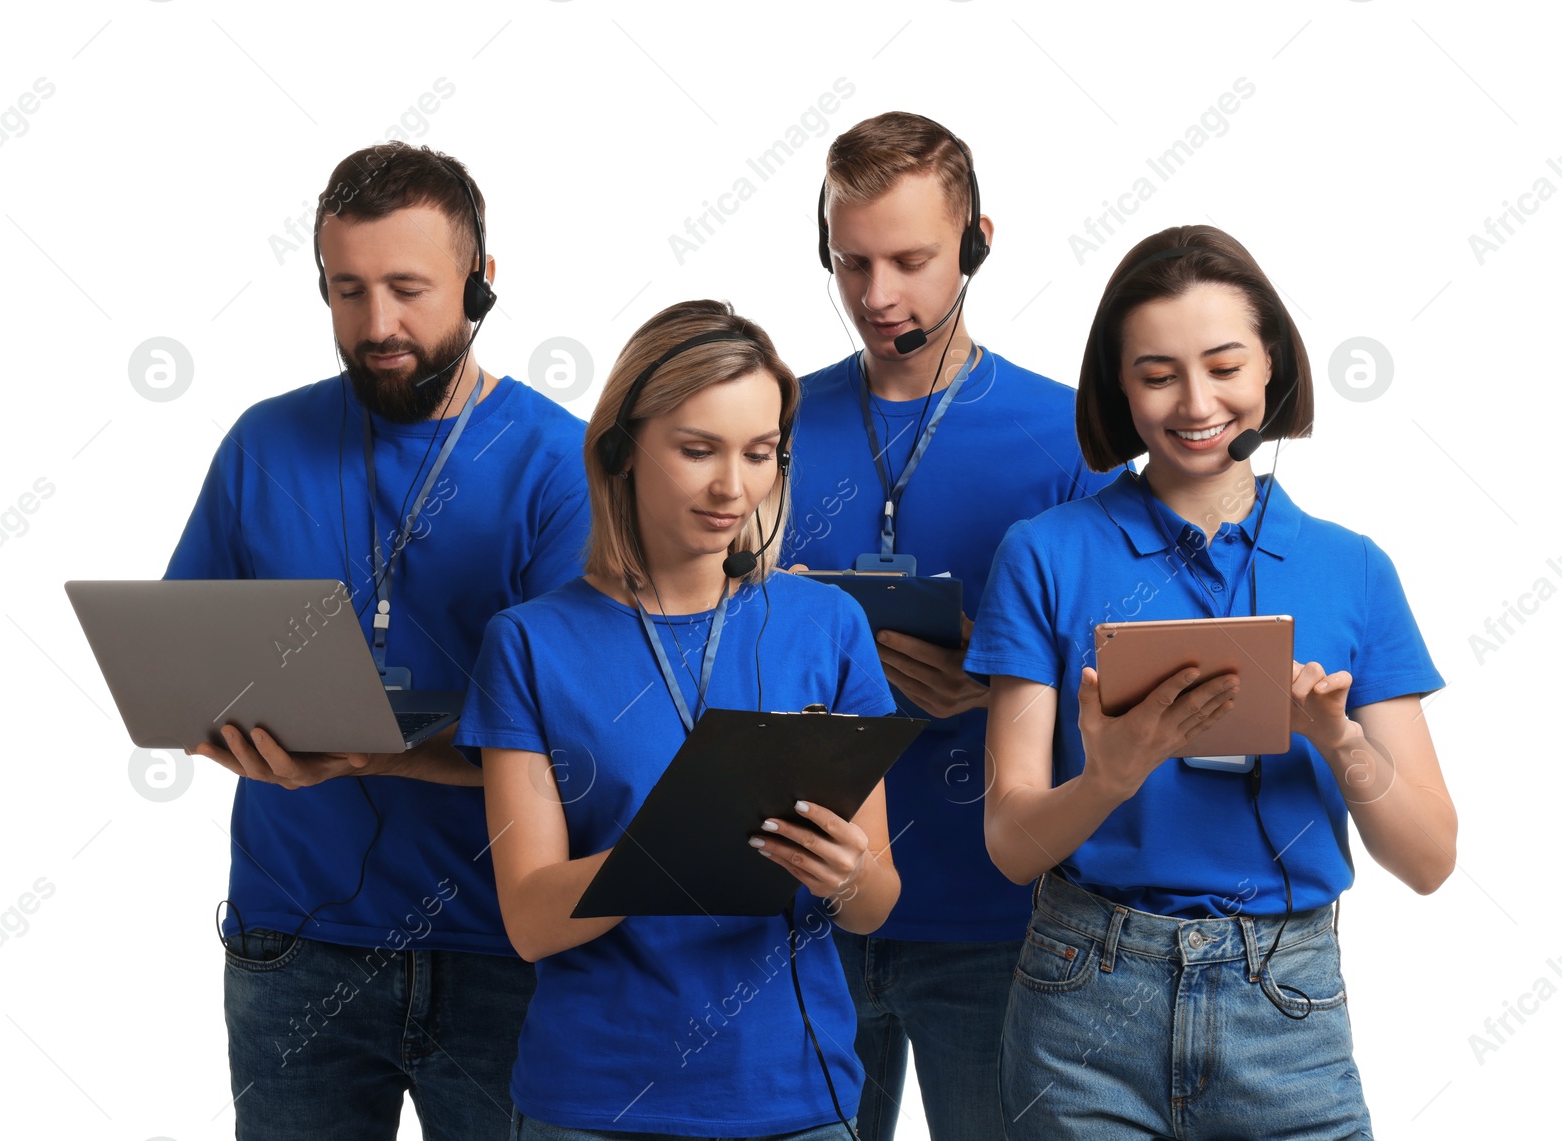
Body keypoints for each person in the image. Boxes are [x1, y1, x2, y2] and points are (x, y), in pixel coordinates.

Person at [966, 224, 1458, 1139]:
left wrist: (1338, 740)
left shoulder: (1354, 568)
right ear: (1119, 384)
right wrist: (1111, 774)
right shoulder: (1044, 554)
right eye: (1156, 375)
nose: (1195, 403)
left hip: (1287, 1005)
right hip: (1084, 1000)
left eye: (1224, 365)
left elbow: (1429, 858)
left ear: (1272, 361)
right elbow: (1010, 843)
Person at [166, 142, 590, 1139]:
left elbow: (576, 748)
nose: (377, 325)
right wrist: (217, 728)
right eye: (347, 290)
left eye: (408, 288)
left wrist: (368, 751)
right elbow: (183, 676)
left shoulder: (562, 465)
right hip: (290, 942)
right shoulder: (261, 444)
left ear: (482, 285)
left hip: (502, 949)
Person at [458, 299, 901, 1139]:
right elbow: (530, 918)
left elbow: (878, 901)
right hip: (592, 1104)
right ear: (623, 450)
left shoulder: (828, 624)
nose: (733, 487)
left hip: (797, 1099)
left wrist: (844, 875)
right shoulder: (528, 643)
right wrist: (674, 841)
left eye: (759, 453)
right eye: (698, 450)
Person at [787, 110, 1112, 1139]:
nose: (877, 297)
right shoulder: (769, 426)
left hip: (1000, 925)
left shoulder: (1072, 436)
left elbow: (1126, 687)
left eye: (912, 261)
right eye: (851, 263)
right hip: (801, 910)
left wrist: (1005, 684)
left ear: (976, 242)